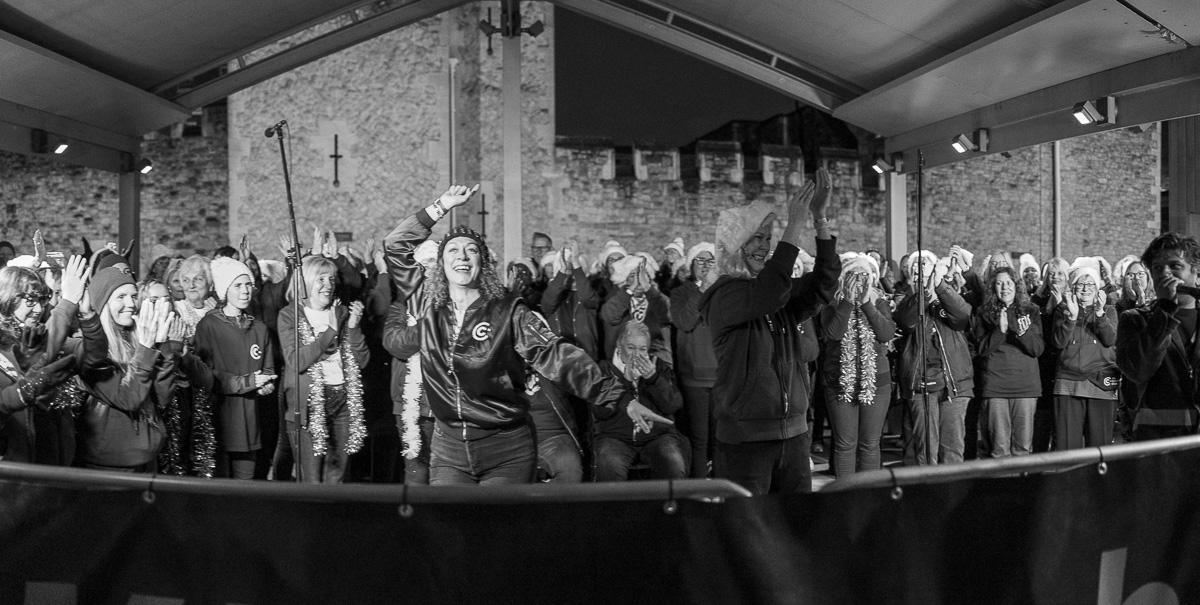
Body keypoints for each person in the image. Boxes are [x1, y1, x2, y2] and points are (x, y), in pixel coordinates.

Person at [384, 184, 665, 485]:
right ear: (441, 264)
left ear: (482, 265)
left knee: (500, 529)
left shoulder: (507, 311)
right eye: (453, 249)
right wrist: (443, 205)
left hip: (504, 448)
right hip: (449, 449)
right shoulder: (428, 305)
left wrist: (621, 399)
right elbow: (396, 243)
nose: (462, 256)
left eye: (471, 250)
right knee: (452, 526)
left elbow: (559, 356)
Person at [699, 168, 839, 495]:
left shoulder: (776, 293)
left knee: (797, 529)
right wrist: (794, 224)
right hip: (746, 441)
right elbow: (768, 293)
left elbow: (824, 284)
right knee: (748, 533)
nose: (765, 247)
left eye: (768, 238)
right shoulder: (724, 295)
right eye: (757, 239)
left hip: (793, 435)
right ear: (736, 245)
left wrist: (820, 219)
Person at [77, 256, 179, 472]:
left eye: (133, 296)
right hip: (109, 466)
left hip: (147, 459)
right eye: (120, 297)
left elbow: (162, 397)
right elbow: (128, 398)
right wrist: (146, 348)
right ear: (102, 303)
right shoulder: (88, 350)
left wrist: (163, 347)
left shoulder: (139, 339)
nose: (131, 304)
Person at [278, 255, 369, 483]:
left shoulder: (342, 311)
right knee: (311, 480)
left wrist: (354, 328)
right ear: (305, 282)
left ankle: (333, 518)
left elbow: (363, 361)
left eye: (331, 279)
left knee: (336, 477)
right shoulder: (290, 315)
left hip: (343, 400)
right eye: (321, 279)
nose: (328, 285)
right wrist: (331, 330)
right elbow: (297, 361)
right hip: (307, 404)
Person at [0, 258, 96, 465]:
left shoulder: (37, 335)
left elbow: (93, 355)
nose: (38, 309)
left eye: (42, 301)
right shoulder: (5, 347)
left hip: (54, 466)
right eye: (30, 300)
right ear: (7, 299)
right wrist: (68, 302)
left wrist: (89, 317)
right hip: (16, 474)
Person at [194, 257, 277, 479]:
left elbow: (268, 371)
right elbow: (205, 375)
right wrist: (248, 382)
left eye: (248, 284)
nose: (245, 291)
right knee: (220, 491)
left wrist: (265, 386)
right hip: (219, 424)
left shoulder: (260, 329)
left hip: (249, 426)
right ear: (224, 291)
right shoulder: (208, 326)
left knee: (245, 488)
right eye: (237, 285)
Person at [1116, 232, 1200, 440]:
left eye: (1175, 266)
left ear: (1196, 273)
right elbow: (1137, 371)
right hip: (1158, 440)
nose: (1165, 273)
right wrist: (1164, 310)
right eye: (1157, 267)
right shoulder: (1135, 319)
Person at [895, 250, 974, 465]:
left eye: (924, 265)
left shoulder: (950, 294)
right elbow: (906, 322)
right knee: (926, 450)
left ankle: (952, 495)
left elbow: (962, 317)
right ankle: (928, 495)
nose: (919, 270)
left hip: (954, 382)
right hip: (922, 383)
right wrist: (925, 293)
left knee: (952, 449)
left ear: (935, 270)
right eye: (915, 267)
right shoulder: (905, 298)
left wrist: (939, 286)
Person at [819, 252, 895, 476]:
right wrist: (848, 303)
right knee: (845, 443)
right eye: (854, 274)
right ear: (844, 277)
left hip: (876, 385)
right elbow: (833, 334)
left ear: (872, 278)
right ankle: (844, 498)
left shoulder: (879, 301)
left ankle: (868, 497)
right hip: (839, 384)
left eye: (864, 274)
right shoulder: (832, 302)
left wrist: (865, 304)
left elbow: (886, 333)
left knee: (870, 443)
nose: (860, 279)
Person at [595, 322, 686, 481]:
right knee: (609, 467)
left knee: (674, 465)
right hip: (615, 438)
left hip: (657, 438)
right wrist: (625, 380)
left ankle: (669, 506)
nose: (637, 354)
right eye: (631, 348)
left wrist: (654, 379)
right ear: (619, 345)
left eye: (642, 349)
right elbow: (599, 412)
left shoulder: (659, 367)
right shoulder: (604, 369)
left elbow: (673, 405)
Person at [972, 266, 1043, 457]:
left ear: (1016, 285)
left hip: (1025, 388)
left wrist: (1023, 333)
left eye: (1009, 282)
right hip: (995, 387)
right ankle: (1001, 487)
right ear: (993, 287)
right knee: (999, 449)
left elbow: (1037, 349)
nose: (1004, 287)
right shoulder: (983, 312)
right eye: (999, 283)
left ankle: (1020, 486)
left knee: (1022, 449)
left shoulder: (1031, 310)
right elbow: (981, 350)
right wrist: (999, 331)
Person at [1052, 266, 1118, 448]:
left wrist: (1099, 313)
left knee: (1099, 449)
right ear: (1073, 287)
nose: (1086, 288)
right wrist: (1071, 318)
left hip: (1101, 386)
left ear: (1097, 289)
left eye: (1091, 284)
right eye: (1081, 283)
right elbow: (1058, 342)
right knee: (1067, 449)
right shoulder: (1063, 310)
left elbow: (1110, 339)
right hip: (1068, 386)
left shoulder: (1109, 310)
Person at [670, 242, 718, 478]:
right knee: (699, 440)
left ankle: (724, 492)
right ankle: (700, 491)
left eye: (711, 261)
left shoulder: (724, 291)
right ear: (691, 265)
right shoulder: (681, 293)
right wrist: (702, 290)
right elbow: (684, 321)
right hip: (695, 377)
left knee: (722, 439)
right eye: (700, 260)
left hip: (721, 374)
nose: (706, 265)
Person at [601, 253, 671, 361]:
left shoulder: (660, 299)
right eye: (632, 276)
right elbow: (610, 316)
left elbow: (667, 315)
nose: (638, 281)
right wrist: (630, 290)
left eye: (643, 275)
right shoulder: (617, 298)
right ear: (625, 280)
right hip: (623, 360)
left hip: (655, 360)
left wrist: (648, 288)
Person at [540, 242, 601, 360]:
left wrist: (575, 261)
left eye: (575, 270)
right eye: (568, 271)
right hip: (559, 359)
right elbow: (547, 305)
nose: (571, 274)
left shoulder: (588, 294)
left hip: (586, 359)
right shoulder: (554, 295)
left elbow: (587, 297)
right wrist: (562, 270)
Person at [173, 254, 217, 343]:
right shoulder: (177, 310)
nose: (191, 285)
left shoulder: (219, 310)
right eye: (186, 280)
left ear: (210, 284)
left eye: (198, 279)